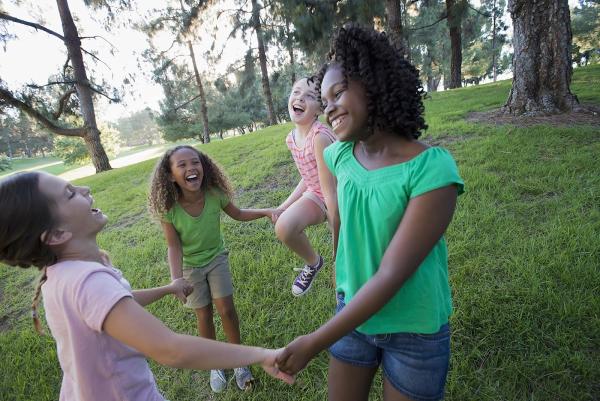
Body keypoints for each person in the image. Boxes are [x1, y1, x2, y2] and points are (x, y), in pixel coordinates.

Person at [277, 24, 465, 401]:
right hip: (352, 313)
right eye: (323, 99)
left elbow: (393, 273)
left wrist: (315, 341)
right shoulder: (338, 156)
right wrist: (340, 278)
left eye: (337, 93)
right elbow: (339, 220)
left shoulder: (432, 170)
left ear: (375, 85)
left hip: (415, 330)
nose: (328, 106)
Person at [0, 172, 293, 401]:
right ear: (55, 234)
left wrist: (167, 288)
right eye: (70, 193)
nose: (85, 190)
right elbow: (171, 350)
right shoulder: (88, 281)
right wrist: (262, 354)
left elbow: (115, 305)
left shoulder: (62, 275)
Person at [148, 145, 276, 392]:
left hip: (217, 258)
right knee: (204, 314)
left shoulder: (214, 193)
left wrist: (266, 211)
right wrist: (176, 280)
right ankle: (214, 364)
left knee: (227, 310)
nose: (190, 168)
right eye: (182, 165)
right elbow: (173, 247)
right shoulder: (170, 209)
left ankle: (240, 361)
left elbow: (238, 214)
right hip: (190, 267)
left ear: (203, 166)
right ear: (170, 175)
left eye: (194, 162)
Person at [271, 76, 337, 296]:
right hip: (319, 194)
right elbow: (308, 176)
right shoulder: (291, 138)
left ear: (319, 109)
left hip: (341, 196)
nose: (300, 98)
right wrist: (284, 205)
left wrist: (338, 255)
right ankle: (314, 262)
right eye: (296, 92)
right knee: (284, 226)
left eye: (309, 96)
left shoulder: (319, 137)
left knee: (349, 256)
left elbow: (332, 192)